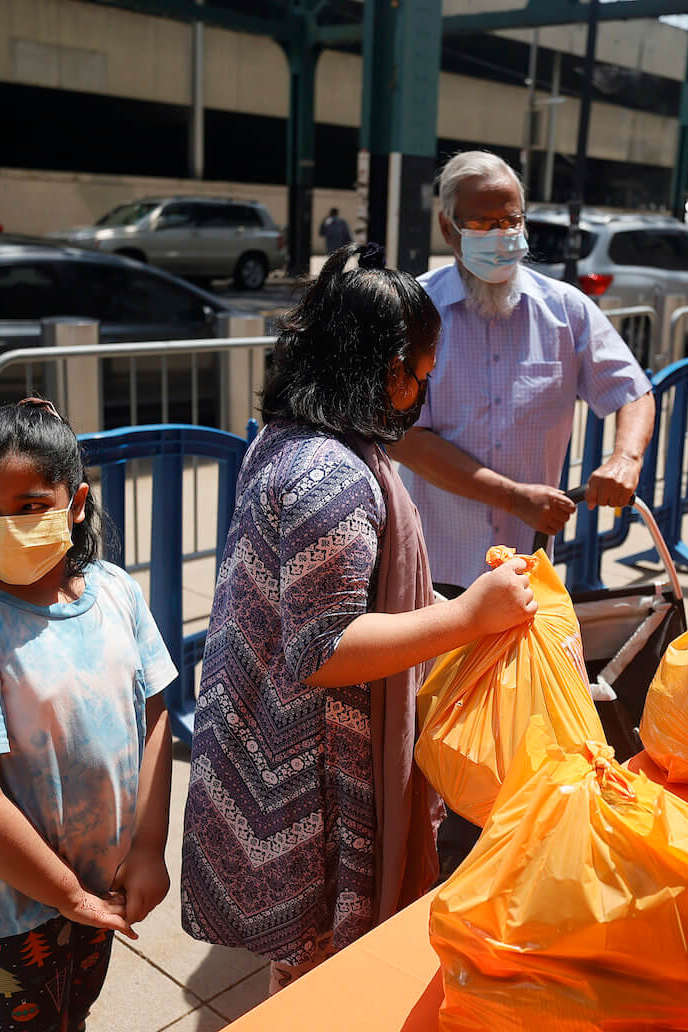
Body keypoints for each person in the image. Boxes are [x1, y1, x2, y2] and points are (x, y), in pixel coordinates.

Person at [179, 242, 536, 991]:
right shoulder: (330, 476)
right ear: (381, 368)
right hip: (312, 775)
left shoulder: (292, 440)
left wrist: (445, 611)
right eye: (418, 379)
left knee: (306, 969)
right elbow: (327, 647)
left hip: (280, 750)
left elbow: (346, 600)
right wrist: (469, 616)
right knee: (319, 977)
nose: (417, 400)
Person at [0, 398, 176, 1031]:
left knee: (73, 1015)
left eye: (30, 506)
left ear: (75, 504)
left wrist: (147, 845)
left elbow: (155, 714)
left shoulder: (116, 592)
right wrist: (68, 894)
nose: (10, 525)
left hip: (99, 887)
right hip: (4, 913)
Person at [389, 150, 656, 595]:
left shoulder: (564, 310)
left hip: (528, 568)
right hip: (434, 566)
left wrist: (625, 458)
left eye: (511, 221)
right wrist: (513, 498)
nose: (500, 235)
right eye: (481, 224)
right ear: (446, 227)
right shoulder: (415, 310)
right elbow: (406, 438)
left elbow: (633, 391)